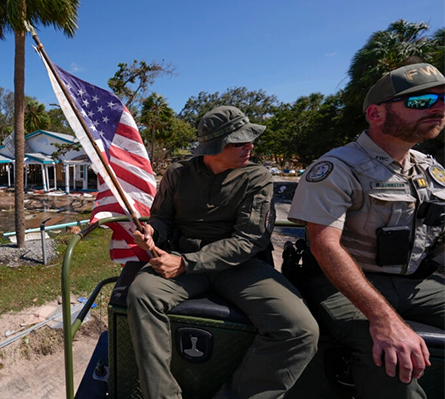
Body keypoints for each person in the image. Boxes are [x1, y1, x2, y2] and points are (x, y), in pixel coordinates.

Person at [128, 106, 319, 399]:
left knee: (300, 329)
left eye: (249, 140)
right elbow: (162, 218)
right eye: (240, 142)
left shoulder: (257, 177)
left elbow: (249, 239)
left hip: (240, 266)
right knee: (142, 293)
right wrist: (152, 232)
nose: (250, 146)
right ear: (215, 147)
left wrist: (186, 263)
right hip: (181, 258)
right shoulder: (178, 173)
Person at [289, 63, 445, 399]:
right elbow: (324, 246)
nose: (439, 107)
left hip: (417, 282)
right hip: (344, 283)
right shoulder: (337, 167)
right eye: (421, 101)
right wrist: (382, 318)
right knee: (392, 358)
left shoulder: (430, 169)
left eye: (444, 99)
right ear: (375, 113)